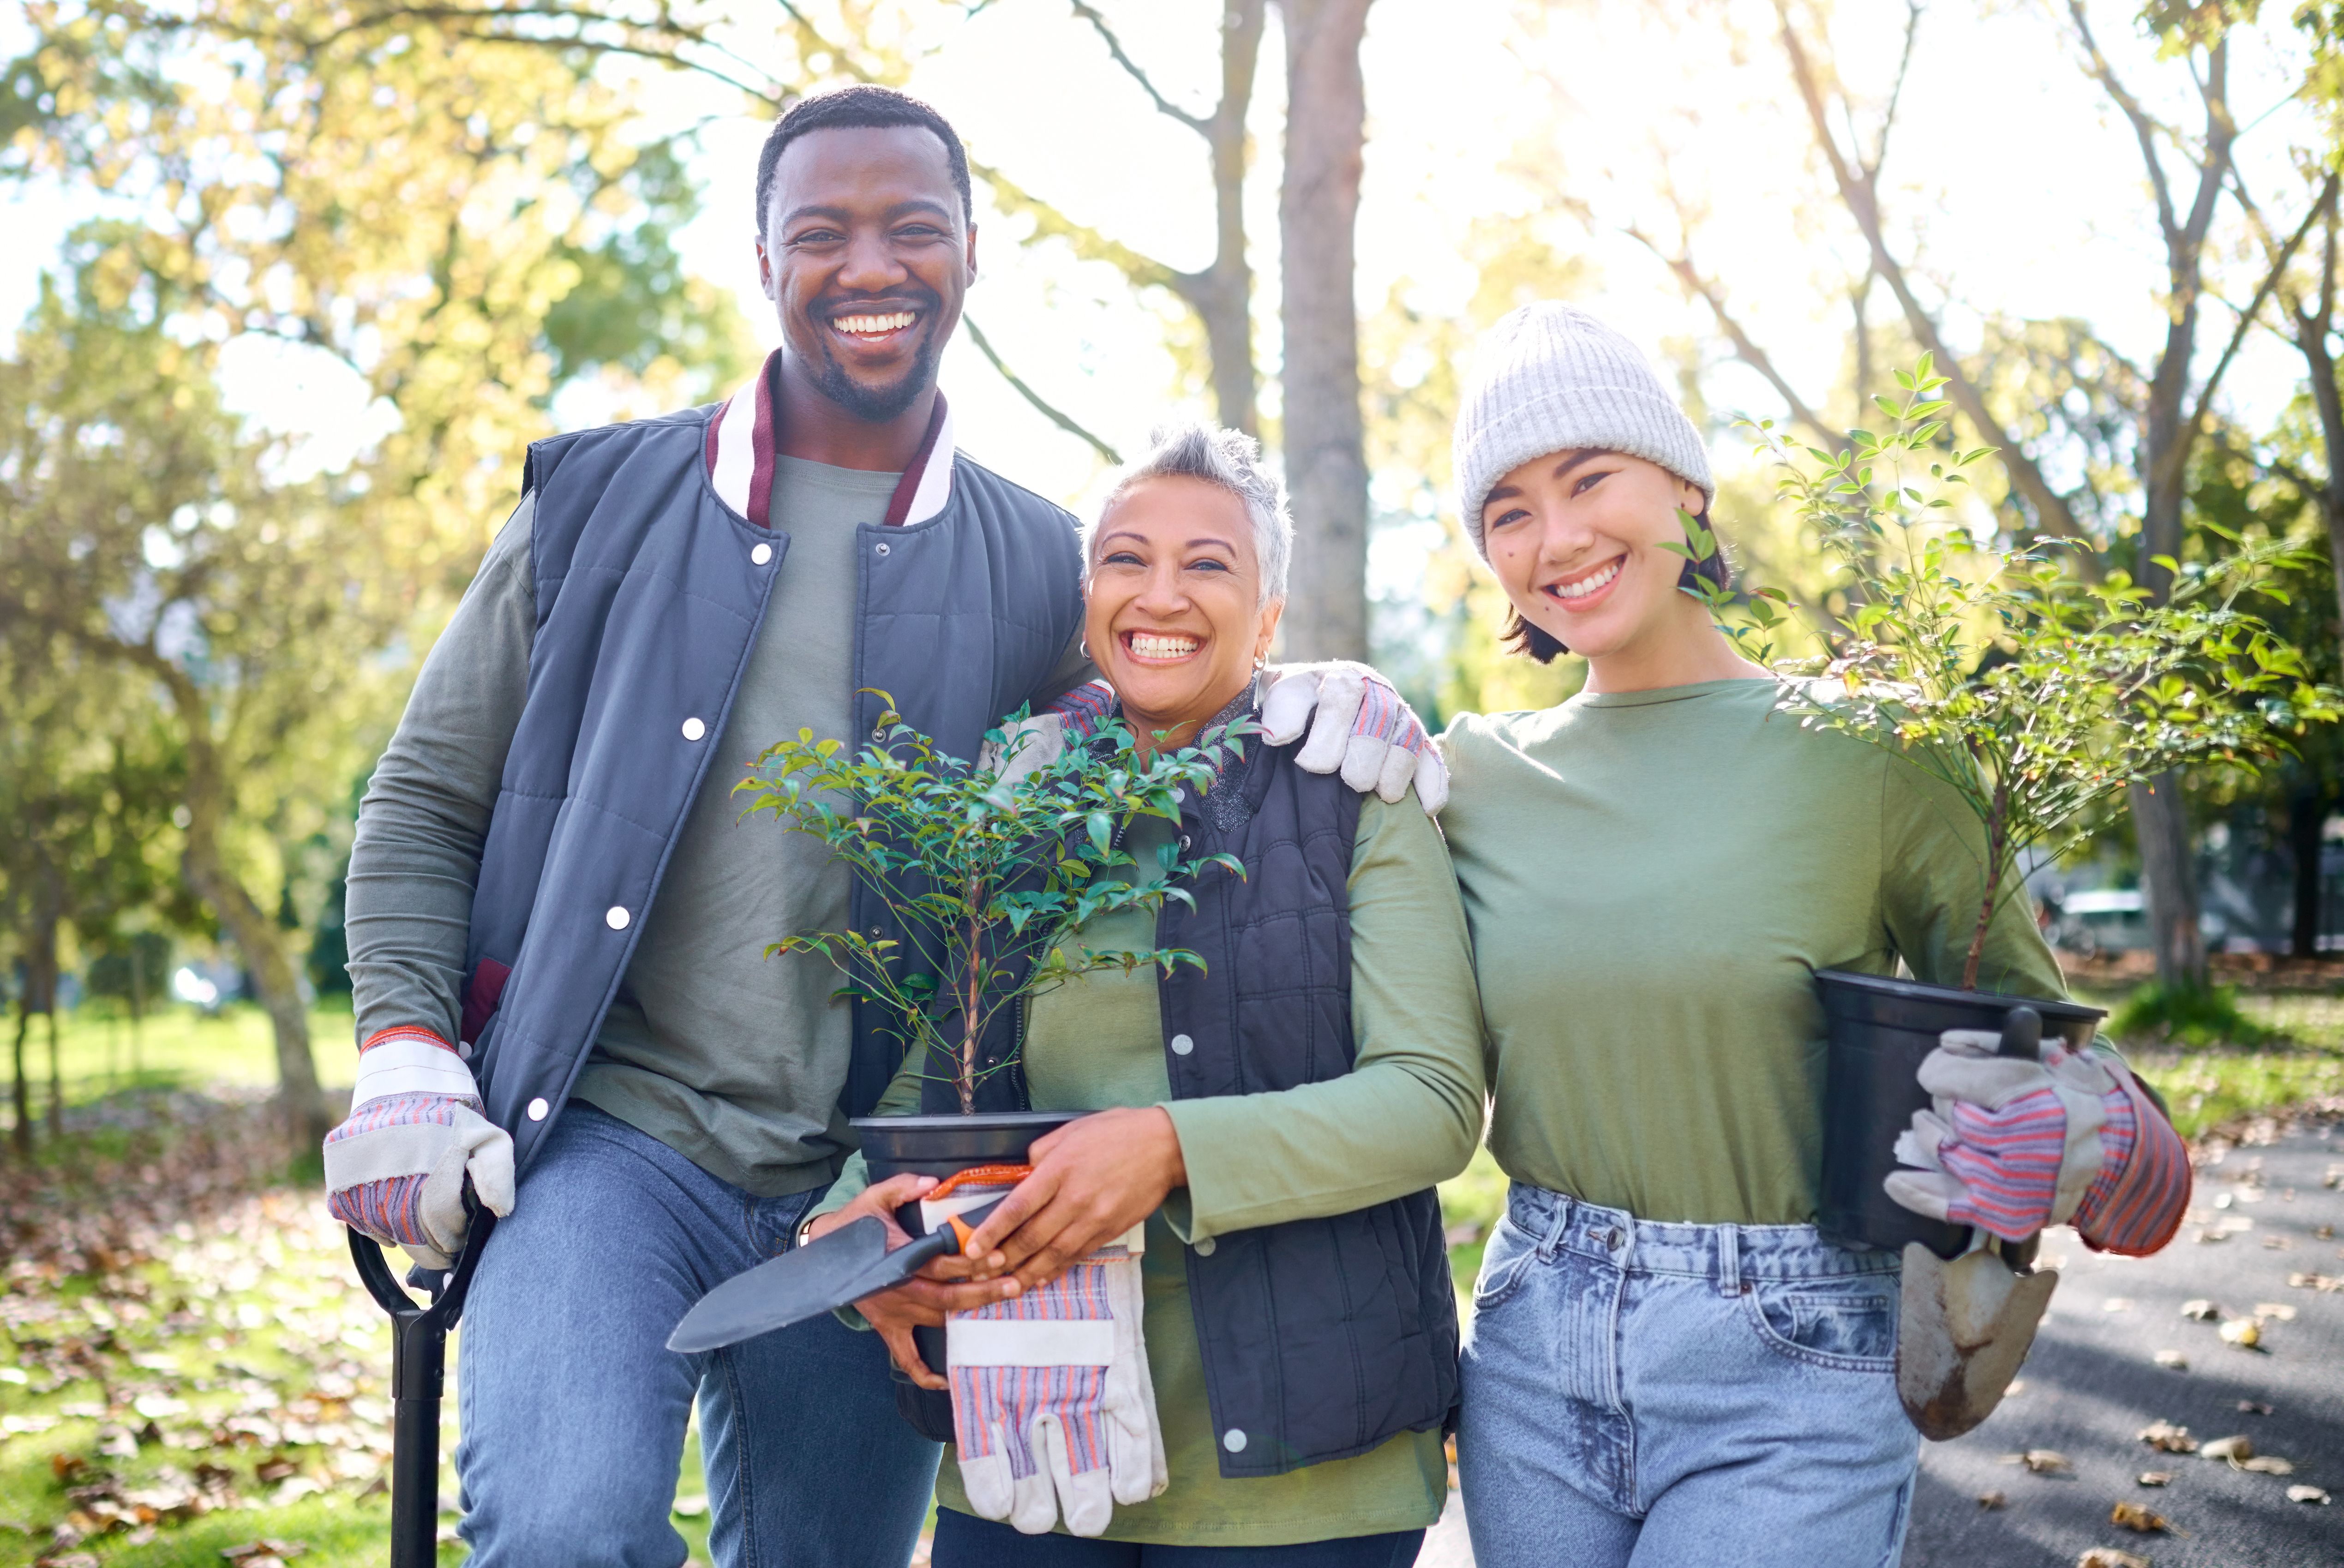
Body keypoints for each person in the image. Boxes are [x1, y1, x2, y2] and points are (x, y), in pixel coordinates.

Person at [318, 88, 1441, 1568]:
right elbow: (422, 797)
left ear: (970, 254)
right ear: (763, 257)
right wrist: (405, 1046)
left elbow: (1156, 712)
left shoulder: (1048, 555)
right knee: (569, 1530)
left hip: (884, 1178)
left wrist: (1317, 692)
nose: (870, 267)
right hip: (612, 1138)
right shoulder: (595, 505)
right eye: (822, 232)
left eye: (913, 229)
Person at [1432, 304, 2193, 1567]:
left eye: (1589, 477)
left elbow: (2049, 1039)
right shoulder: (1471, 774)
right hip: (1529, 1344)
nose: (1556, 536)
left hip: (1793, 1358)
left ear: (1685, 486)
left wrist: (2100, 1135)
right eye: (1507, 510)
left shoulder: (1875, 751)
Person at [808, 422, 1486, 1568]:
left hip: (1304, 1465)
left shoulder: (1354, 793)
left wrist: (1171, 1147)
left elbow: (1431, 1103)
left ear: (1268, 614)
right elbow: (948, 1066)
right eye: (1125, 559)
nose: (1158, 593)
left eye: (1207, 564)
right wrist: (847, 1239)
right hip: (1029, 1428)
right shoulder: (1018, 806)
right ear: (1089, 601)